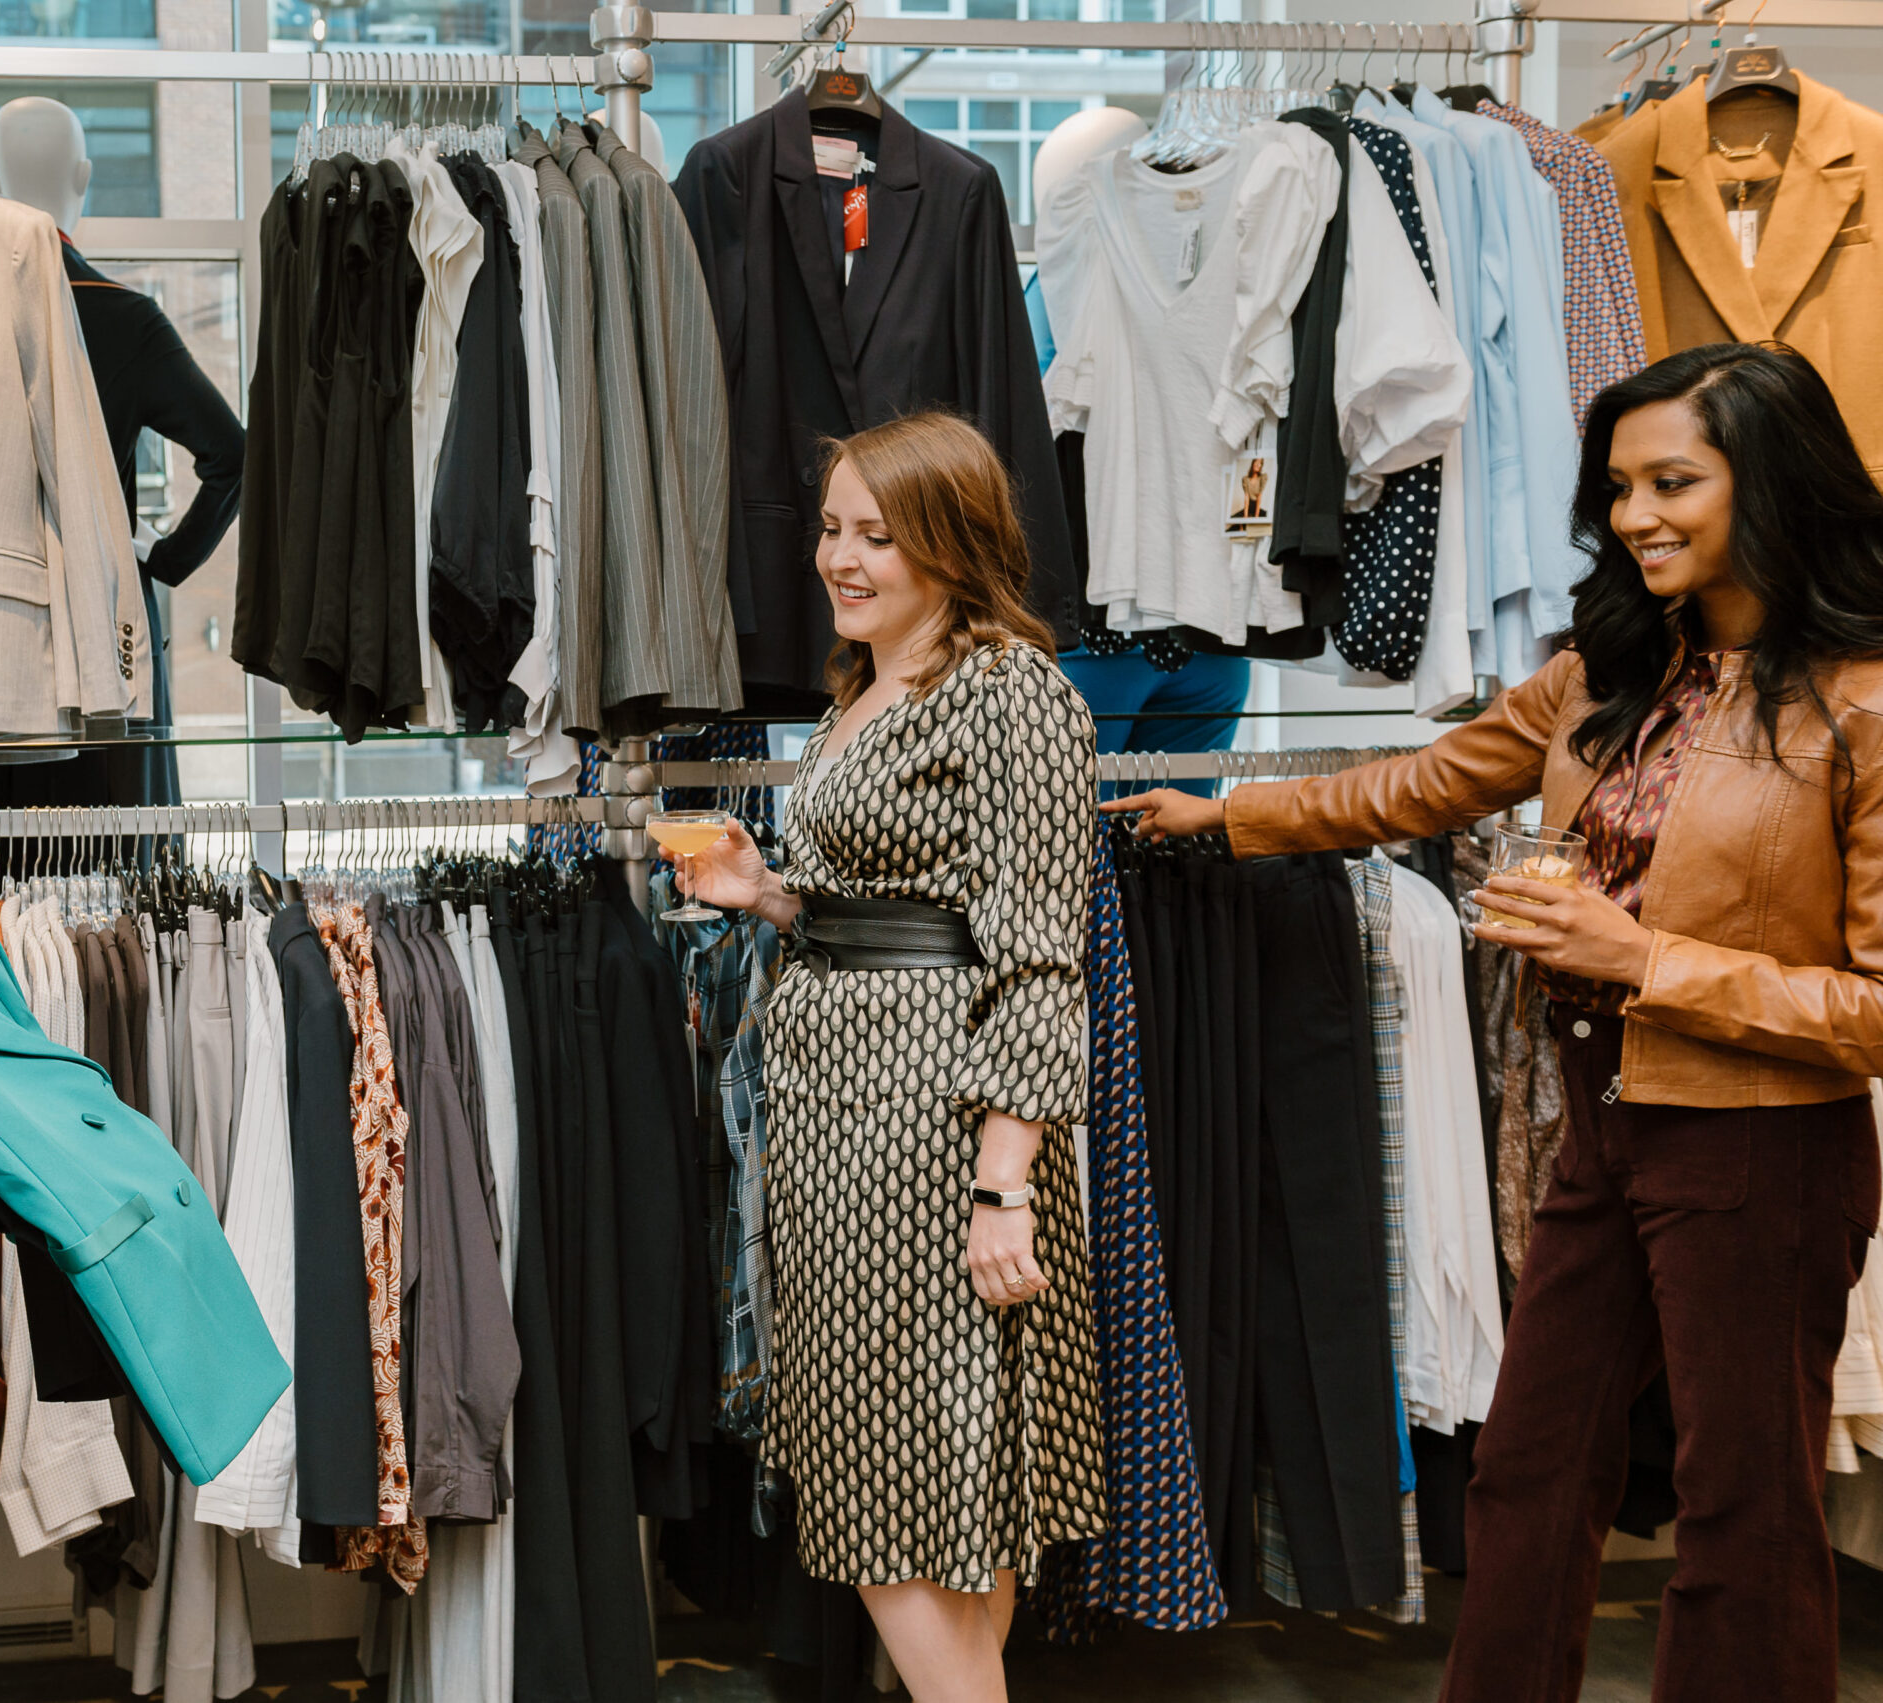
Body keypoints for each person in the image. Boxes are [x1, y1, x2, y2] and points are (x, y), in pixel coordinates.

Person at [1107, 341, 1883, 1703]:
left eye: (1672, 483)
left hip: (1760, 1150)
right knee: (1527, 1471)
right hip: (1601, 1122)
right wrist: (1231, 817)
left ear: (1771, 479)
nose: (1634, 516)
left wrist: (1642, 958)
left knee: (1743, 1509)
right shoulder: (1613, 668)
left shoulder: (1863, 700)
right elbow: (1424, 782)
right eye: (1619, 488)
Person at [676, 411, 1102, 1702]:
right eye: (830, 529)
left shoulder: (1012, 692)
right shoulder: (861, 691)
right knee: (940, 1480)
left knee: (900, 1469)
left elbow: (1039, 956)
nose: (839, 559)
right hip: (838, 1118)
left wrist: (1002, 1184)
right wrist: (767, 895)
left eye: (878, 536)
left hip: (934, 1126)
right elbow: (887, 910)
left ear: (952, 545)